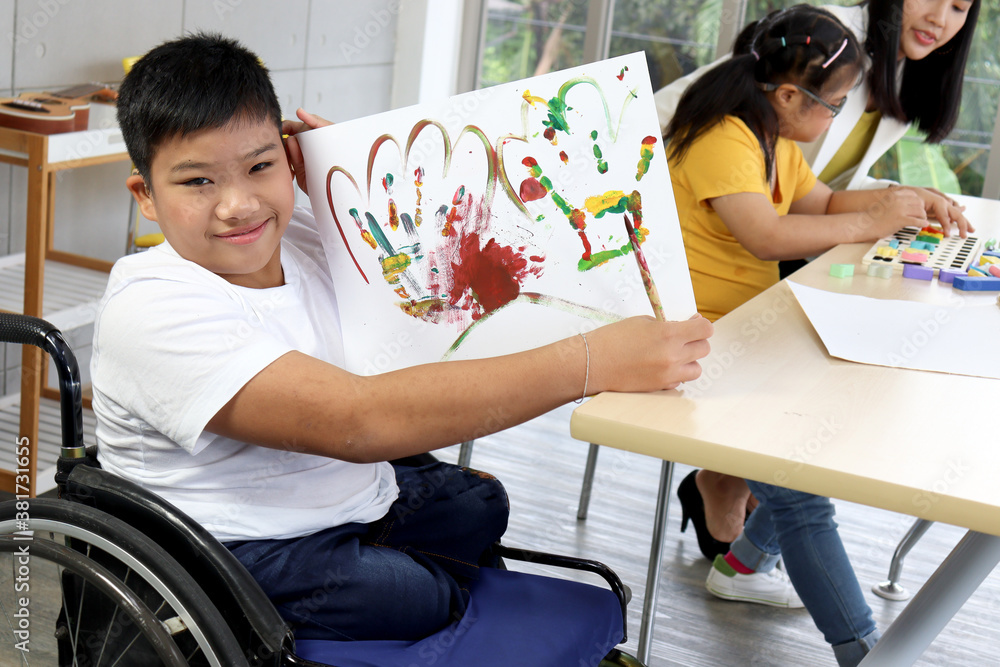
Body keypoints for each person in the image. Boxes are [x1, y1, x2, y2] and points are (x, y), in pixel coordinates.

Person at [91, 32, 714, 644]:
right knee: (415, 595)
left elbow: (433, 294)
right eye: (197, 182)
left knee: (479, 502)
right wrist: (589, 363)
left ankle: (418, 583)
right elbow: (358, 422)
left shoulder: (302, 233)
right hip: (227, 543)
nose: (239, 205)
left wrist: (341, 170)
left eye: (260, 166)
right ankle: (427, 599)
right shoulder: (150, 305)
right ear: (146, 195)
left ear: (289, 156)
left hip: (342, 497)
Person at [664, 6, 970, 665]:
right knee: (801, 488)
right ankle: (865, 651)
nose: (836, 120)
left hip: (745, 334)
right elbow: (766, 235)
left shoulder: (772, 140)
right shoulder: (726, 138)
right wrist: (868, 223)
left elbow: (824, 203)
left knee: (837, 417)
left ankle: (743, 565)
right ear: (786, 96)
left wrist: (899, 203)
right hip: (695, 344)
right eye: (833, 106)